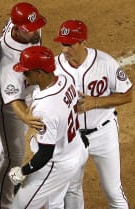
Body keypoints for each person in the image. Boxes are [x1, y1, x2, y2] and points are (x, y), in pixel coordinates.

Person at [54, 19, 131, 209]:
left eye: (70, 44)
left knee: (113, 190)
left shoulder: (105, 62)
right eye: (63, 44)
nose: (65, 50)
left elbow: (128, 95)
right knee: (72, 190)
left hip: (103, 133)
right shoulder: (54, 67)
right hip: (71, 137)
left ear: (83, 42)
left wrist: (95, 102)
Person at [8, 45, 88, 209]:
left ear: (40, 73)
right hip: (75, 148)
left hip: (56, 163)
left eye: (27, 72)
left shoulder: (45, 108)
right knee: (55, 201)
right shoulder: (65, 80)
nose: (23, 75)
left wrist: (23, 171)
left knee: (19, 206)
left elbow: (45, 154)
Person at [0, 2, 46, 208]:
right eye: (30, 30)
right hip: (8, 105)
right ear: (18, 29)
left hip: (29, 90)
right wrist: (27, 117)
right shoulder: (9, 61)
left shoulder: (28, 27)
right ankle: (3, 205)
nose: (36, 31)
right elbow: (14, 102)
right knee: (16, 156)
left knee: (11, 146)